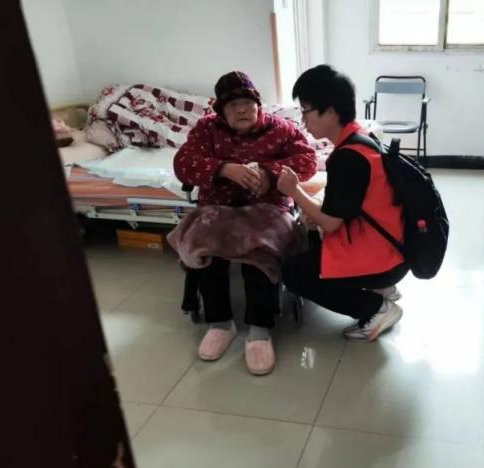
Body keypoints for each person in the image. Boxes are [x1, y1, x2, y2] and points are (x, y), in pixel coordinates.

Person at [174, 71, 317, 374]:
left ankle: (260, 330)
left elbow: (308, 160)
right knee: (204, 240)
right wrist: (224, 169)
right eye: (232, 105)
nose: (241, 109)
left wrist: (269, 173)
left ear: (258, 104)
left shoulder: (281, 129)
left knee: (259, 246)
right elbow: (182, 164)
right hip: (219, 207)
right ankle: (220, 323)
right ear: (220, 111)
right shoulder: (206, 129)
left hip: (267, 206)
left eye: (247, 103)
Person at [278, 65, 407, 342]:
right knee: (310, 231)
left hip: (382, 256)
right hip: (391, 244)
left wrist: (295, 191)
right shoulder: (360, 137)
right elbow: (346, 203)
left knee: (294, 273)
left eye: (306, 110)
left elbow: (331, 224)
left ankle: (376, 307)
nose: (303, 120)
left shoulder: (347, 158)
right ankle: (380, 287)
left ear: (331, 112)